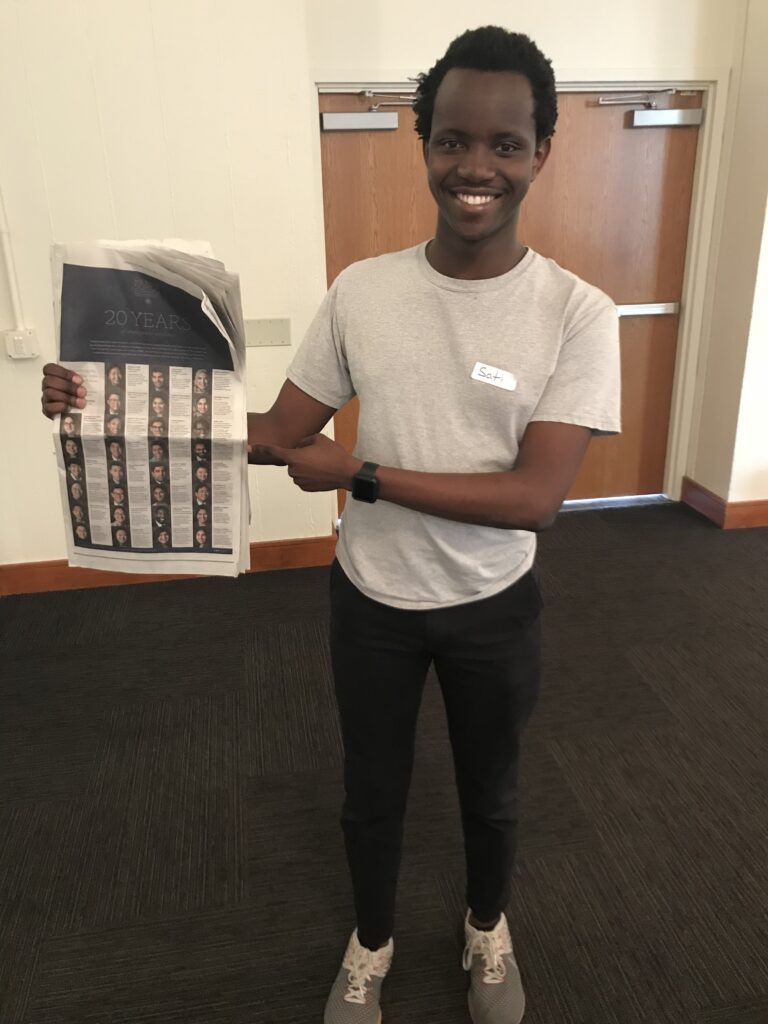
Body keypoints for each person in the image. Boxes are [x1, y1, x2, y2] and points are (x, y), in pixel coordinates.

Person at [39, 27, 620, 1024]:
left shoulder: (576, 312)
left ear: (540, 152)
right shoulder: (363, 289)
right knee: (371, 793)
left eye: (504, 144)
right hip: (374, 603)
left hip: (492, 605)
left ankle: (488, 927)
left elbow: (536, 498)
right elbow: (275, 431)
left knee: (492, 790)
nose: (474, 167)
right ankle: (373, 943)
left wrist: (362, 472)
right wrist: (105, 395)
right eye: (451, 141)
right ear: (424, 145)